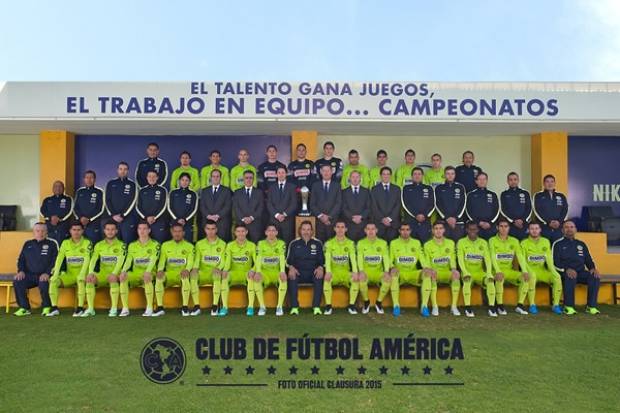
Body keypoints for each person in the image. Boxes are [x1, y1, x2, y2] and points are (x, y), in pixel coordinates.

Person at [552, 220, 601, 315]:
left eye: (571, 227)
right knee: (571, 276)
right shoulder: (558, 244)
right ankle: (568, 306)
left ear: (575, 229)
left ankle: (591, 307)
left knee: (594, 277)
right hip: (564, 272)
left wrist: (593, 268)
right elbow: (555, 262)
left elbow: (588, 259)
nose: (569, 229)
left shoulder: (581, 244)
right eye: (566, 227)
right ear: (562, 230)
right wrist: (566, 269)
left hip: (580, 272)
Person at [47, 221, 92, 317]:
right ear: (70, 231)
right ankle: (54, 308)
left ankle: (80, 308)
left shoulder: (87, 242)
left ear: (82, 231)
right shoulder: (65, 243)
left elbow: (87, 259)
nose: (76, 232)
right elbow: (59, 258)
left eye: (79, 230)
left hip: (83, 274)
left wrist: (82, 274)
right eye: (74, 230)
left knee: (80, 280)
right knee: (53, 281)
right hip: (70, 275)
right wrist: (55, 274)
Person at [13, 223, 58, 316]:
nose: (40, 233)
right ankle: (24, 308)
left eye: (43, 231)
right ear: (33, 232)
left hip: (45, 275)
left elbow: (55, 261)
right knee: (18, 281)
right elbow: (21, 259)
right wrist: (20, 271)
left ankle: (47, 307)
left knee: (43, 282)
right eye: (37, 231)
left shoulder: (52, 244)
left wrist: (47, 273)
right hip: (29, 275)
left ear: (46, 232)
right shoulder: (27, 244)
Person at [83, 221, 126, 317]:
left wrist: (114, 273)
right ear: (104, 231)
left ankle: (114, 308)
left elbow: (121, 261)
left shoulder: (122, 245)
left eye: (112, 229)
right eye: (108, 229)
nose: (110, 232)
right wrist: (90, 273)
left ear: (116, 231)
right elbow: (93, 260)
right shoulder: (99, 245)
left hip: (116, 274)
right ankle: (90, 309)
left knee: (113, 279)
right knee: (90, 279)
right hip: (103, 274)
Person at [387, 223, 430, 317]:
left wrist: (426, 267)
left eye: (407, 229)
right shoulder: (393, 243)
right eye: (403, 230)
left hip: (412, 273)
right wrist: (392, 267)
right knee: (393, 274)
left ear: (410, 231)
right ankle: (396, 306)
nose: (405, 232)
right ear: (399, 231)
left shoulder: (416, 243)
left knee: (427, 274)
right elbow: (389, 259)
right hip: (400, 273)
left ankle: (424, 307)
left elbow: (421, 258)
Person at [489, 219, 530, 315]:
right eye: (501, 226)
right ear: (497, 228)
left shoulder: (514, 241)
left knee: (525, 278)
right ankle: (500, 306)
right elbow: (492, 257)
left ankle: (520, 306)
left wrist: (524, 271)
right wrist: (498, 271)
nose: (503, 229)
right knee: (500, 278)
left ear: (509, 228)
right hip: (496, 271)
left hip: (509, 271)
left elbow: (520, 256)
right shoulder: (492, 240)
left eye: (506, 226)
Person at [521, 222, 563, 315]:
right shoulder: (524, 243)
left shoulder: (545, 241)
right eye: (532, 229)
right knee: (532, 276)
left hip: (542, 271)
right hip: (530, 270)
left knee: (557, 277)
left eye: (536, 228)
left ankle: (555, 305)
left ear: (540, 230)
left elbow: (548, 258)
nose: (534, 231)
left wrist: (553, 271)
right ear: (529, 230)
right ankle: (532, 304)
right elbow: (523, 260)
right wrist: (529, 271)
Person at [120, 221, 160, 317]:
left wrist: (148, 271)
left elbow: (154, 259)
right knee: (123, 277)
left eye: (144, 229)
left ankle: (149, 308)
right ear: (137, 231)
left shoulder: (155, 244)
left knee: (147, 277)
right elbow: (128, 260)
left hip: (150, 272)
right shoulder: (132, 245)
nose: (142, 231)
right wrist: (123, 271)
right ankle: (125, 308)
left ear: (149, 230)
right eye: (140, 229)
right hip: (136, 272)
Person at [457, 222, 497, 318]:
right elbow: (460, 259)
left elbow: (487, 259)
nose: (472, 231)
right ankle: (468, 308)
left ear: (478, 230)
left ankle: (491, 307)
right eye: (470, 229)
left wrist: (488, 273)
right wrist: (465, 272)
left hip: (479, 273)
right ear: (467, 230)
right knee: (467, 282)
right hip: (467, 272)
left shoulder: (483, 242)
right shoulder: (461, 242)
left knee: (490, 282)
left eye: (474, 229)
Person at [154, 223, 195, 317]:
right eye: (175, 231)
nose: (177, 234)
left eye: (179, 231)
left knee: (185, 278)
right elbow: (162, 261)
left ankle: (185, 307)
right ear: (171, 232)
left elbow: (190, 261)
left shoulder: (190, 246)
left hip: (182, 272)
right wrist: (160, 270)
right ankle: (160, 308)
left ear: (183, 233)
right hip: (169, 273)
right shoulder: (165, 245)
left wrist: (187, 270)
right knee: (159, 278)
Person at [286, 221, 325, 315]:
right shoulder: (294, 243)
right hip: (298, 272)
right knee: (292, 276)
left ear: (312, 231)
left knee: (319, 276)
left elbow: (322, 260)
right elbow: (288, 261)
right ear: (300, 230)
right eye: (304, 229)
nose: (306, 232)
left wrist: (320, 267)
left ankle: (316, 307)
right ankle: (294, 307)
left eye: (308, 229)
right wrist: (291, 268)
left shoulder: (318, 243)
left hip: (313, 272)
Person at [423, 222, 461, 316]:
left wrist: (453, 269)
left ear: (444, 230)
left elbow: (452, 258)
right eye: (436, 228)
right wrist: (430, 269)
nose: (438, 231)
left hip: (447, 272)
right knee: (431, 275)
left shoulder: (451, 243)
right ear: (432, 231)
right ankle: (435, 307)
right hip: (435, 272)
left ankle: (454, 307)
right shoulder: (427, 245)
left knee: (456, 275)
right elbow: (427, 261)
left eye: (440, 228)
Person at [220, 224, 257, 316]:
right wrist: (225, 270)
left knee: (251, 278)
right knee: (224, 278)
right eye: (238, 231)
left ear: (246, 232)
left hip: (246, 273)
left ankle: (250, 307)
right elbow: (227, 261)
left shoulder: (252, 245)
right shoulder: (230, 245)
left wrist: (253, 270)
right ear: (235, 233)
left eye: (243, 231)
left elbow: (257, 262)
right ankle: (224, 307)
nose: (241, 233)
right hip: (233, 273)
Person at [192, 220, 227, 316]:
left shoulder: (223, 244)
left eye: (212, 229)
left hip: (215, 272)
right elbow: (197, 260)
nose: (210, 231)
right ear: (205, 230)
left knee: (217, 276)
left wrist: (219, 268)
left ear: (216, 230)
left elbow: (223, 260)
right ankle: (196, 306)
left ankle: (215, 305)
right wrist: (195, 268)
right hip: (203, 272)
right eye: (208, 229)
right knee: (193, 276)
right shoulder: (199, 244)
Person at [323, 220, 358, 316]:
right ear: (334, 229)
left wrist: (355, 272)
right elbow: (327, 259)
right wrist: (328, 272)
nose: (340, 229)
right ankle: (328, 306)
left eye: (342, 227)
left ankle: (351, 305)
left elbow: (353, 259)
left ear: (346, 229)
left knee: (355, 279)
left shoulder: (350, 243)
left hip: (345, 272)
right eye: (338, 227)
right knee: (326, 280)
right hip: (334, 273)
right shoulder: (329, 243)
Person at [355, 222, 390, 315]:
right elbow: (359, 258)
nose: (371, 231)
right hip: (366, 273)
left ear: (376, 231)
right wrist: (361, 271)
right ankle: (366, 302)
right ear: (365, 231)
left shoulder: (383, 243)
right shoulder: (360, 243)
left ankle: (378, 303)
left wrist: (386, 271)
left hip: (378, 272)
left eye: (373, 229)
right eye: (368, 229)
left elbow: (386, 258)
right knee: (361, 279)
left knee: (387, 279)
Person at [254, 224, 287, 316]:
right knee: (256, 280)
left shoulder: (281, 243)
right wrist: (258, 272)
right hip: (265, 273)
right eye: (269, 230)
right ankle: (262, 307)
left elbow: (282, 257)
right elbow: (259, 257)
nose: (271, 233)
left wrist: (282, 271)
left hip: (276, 272)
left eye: (273, 230)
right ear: (265, 232)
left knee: (283, 280)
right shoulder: (260, 243)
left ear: (276, 232)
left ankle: (279, 307)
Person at [104, 161, 138, 243]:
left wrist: (123, 215)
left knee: (127, 242)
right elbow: (107, 200)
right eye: (121, 169)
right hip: (113, 219)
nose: (123, 171)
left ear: (128, 171)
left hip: (127, 218)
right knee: (114, 243)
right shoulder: (111, 183)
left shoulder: (132, 184)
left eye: (125, 169)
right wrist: (113, 215)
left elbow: (133, 201)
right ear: (117, 170)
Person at [309, 164, 342, 242]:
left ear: (332, 172)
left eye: (328, 171)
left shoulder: (337, 186)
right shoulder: (315, 185)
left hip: (332, 221)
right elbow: (312, 204)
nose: (326, 173)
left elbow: (338, 203)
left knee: (332, 245)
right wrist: (321, 216)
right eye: (324, 171)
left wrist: (329, 216)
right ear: (320, 172)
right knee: (319, 245)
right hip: (319, 222)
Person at [401, 167, 434, 243]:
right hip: (411, 222)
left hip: (425, 222)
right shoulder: (406, 188)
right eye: (415, 174)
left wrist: (424, 215)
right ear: (412, 176)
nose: (417, 176)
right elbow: (405, 204)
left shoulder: (429, 188)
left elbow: (432, 204)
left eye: (419, 174)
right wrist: (416, 215)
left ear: (422, 176)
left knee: (425, 245)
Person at [434, 166, 467, 242]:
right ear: (444, 175)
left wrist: (455, 217)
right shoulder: (439, 188)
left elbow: (463, 203)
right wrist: (447, 217)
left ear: (455, 175)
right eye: (448, 173)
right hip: (443, 222)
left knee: (457, 247)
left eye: (452, 173)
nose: (450, 175)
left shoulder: (460, 187)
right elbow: (437, 204)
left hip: (458, 222)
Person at [266, 166, 297, 245]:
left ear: (286, 174)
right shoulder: (271, 187)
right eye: (279, 173)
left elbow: (294, 203)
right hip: (274, 220)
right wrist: (277, 215)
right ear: (276, 174)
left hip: (287, 220)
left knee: (287, 242)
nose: (281, 174)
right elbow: (269, 203)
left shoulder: (292, 187)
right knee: (274, 242)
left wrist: (284, 215)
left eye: (283, 172)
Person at [199, 169, 232, 242]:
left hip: (222, 222)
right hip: (207, 221)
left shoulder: (226, 190)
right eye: (213, 176)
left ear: (220, 178)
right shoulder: (204, 191)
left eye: (217, 176)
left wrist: (218, 215)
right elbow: (202, 206)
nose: (215, 178)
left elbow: (228, 206)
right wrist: (208, 216)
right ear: (210, 178)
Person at [533, 174, 568, 243]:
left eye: (552, 181)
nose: (550, 184)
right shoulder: (538, 196)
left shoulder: (561, 196)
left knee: (558, 249)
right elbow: (537, 210)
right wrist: (548, 222)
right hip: (544, 228)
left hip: (558, 228)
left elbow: (565, 210)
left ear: (554, 183)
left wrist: (559, 222)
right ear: (544, 183)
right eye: (547, 181)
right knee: (545, 249)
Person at [136, 171, 169, 244]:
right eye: (150, 176)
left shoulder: (162, 190)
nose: (152, 178)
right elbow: (138, 206)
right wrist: (146, 217)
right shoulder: (142, 190)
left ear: (157, 178)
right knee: (144, 243)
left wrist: (155, 217)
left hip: (158, 221)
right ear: (147, 178)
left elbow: (164, 205)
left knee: (158, 243)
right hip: (144, 221)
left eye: (154, 176)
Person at [232, 170, 264, 243]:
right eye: (246, 178)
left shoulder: (259, 192)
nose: (249, 180)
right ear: (243, 179)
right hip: (241, 224)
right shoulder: (237, 192)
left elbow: (261, 208)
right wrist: (243, 218)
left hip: (255, 224)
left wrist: (251, 218)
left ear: (253, 179)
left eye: (251, 178)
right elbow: (236, 208)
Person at [370, 166, 400, 242]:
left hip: (393, 224)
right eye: (384, 174)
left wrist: (389, 219)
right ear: (380, 176)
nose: (386, 176)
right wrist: (382, 219)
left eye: (388, 174)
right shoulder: (374, 189)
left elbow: (398, 205)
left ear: (391, 176)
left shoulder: (397, 189)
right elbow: (374, 206)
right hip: (379, 224)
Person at [466, 172, 500, 240]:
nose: (482, 181)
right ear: (476, 181)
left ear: (487, 181)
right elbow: (468, 211)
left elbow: (497, 210)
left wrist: (490, 222)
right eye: (480, 179)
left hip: (490, 226)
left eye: (484, 179)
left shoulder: (493, 195)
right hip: (476, 227)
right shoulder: (470, 195)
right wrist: (479, 223)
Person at [74, 170, 105, 243]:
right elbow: (75, 208)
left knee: (93, 245)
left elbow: (101, 209)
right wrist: (81, 218)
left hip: (93, 224)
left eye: (91, 177)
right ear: (84, 179)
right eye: (87, 177)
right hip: (80, 224)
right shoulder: (80, 191)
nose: (89, 180)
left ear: (95, 179)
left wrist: (89, 219)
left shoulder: (99, 192)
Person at [500, 172, 532, 241]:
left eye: (515, 179)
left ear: (518, 180)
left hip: (523, 224)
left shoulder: (525, 193)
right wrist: (514, 221)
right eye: (510, 180)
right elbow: (503, 210)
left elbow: (529, 208)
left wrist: (522, 220)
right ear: (507, 181)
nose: (513, 181)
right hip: (511, 225)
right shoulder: (504, 194)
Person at [168, 172, 199, 242]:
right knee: (174, 244)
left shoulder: (193, 194)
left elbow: (194, 209)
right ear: (179, 181)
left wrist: (185, 219)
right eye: (182, 180)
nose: (184, 182)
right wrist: (177, 219)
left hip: (187, 223)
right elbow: (169, 207)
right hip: (174, 222)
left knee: (187, 244)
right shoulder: (173, 192)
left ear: (189, 182)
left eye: (186, 180)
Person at [341, 170, 371, 242]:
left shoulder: (366, 191)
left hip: (363, 224)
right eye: (353, 177)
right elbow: (343, 207)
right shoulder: (344, 192)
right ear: (349, 179)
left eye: (357, 177)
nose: (355, 179)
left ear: (360, 179)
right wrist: (352, 217)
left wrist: (361, 217)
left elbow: (369, 207)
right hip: (349, 224)